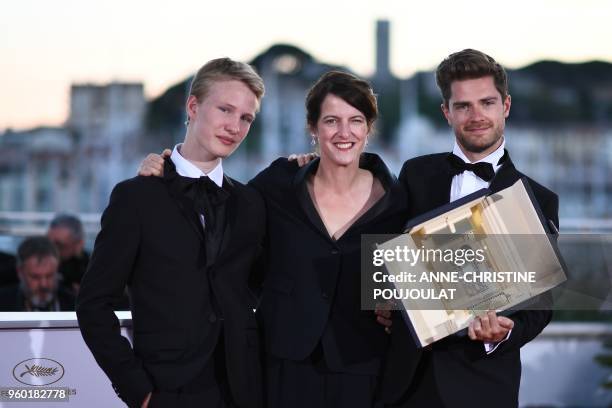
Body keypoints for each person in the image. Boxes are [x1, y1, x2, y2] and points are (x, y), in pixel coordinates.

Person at [139, 71, 408, 407]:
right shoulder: (278, 185)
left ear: (369, 128)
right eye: (331, 121)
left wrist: (399, 309)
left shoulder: (399, 200)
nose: (344, 132)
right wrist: (168, 169)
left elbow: (415, 281)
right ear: (313, 128)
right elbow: (216, 203)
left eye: (356, 120)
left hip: (365, 371)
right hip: (283, 369)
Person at [76, 58, 266, 408]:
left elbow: (257, 285)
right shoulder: (136, 197)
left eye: (246, 118)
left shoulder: (251, 203)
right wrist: (140, 392)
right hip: (165, 391)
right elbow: (93, 304)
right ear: (193, 106)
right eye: (225, 110)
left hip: (244, 390)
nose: (234, 127)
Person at [379, 49, 558, 408]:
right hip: (407, 382)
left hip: (483, 383)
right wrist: (383, 299)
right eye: (463, 106)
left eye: (487, 103)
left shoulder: (537, 198)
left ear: (505, 105)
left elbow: (540, 305)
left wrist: (504, 334)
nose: (476, 116)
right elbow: (385, 252)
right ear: (447, 112)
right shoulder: (416, 174)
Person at [0, 236, 75, 311]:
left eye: (49, 276)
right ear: (20, 272)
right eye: (35, 277)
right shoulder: (3, 304)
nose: (43, 284)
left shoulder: (75, 304)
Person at [47, 213, 90, 294]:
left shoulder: (90, 271)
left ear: (79, 244)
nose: (50, 250)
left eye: (59, 245)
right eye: (47, 243)